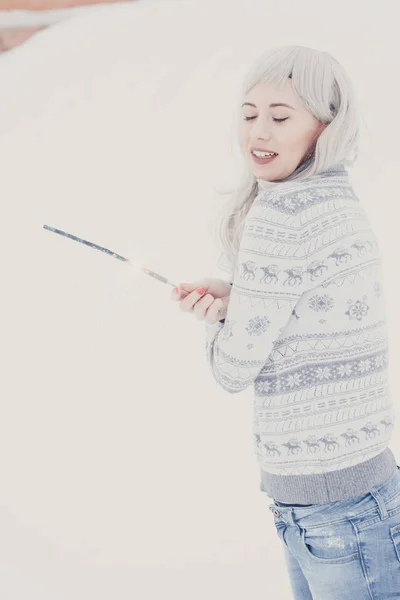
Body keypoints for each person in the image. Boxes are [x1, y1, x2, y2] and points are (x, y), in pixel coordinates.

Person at [171, 45, 400, 599]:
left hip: (330, 511)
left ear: (324, 125)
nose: (259, 132)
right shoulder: (334, 196)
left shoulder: (281, 214)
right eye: (249, 114)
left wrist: (215, 319)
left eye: (280, 116)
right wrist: (240, 297)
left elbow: (232, 369)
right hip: (363, 491)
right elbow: (306, 309)